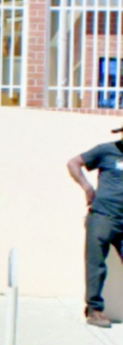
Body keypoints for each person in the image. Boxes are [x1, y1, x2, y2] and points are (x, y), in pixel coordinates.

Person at [67, 129, 123, 327]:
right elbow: (74, 163)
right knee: (96, 266)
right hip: (103, 216)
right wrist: (87, 188)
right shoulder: (106, 150)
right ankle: (94, 310)